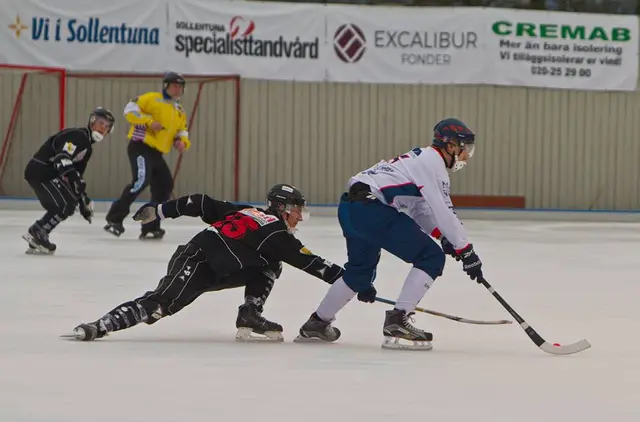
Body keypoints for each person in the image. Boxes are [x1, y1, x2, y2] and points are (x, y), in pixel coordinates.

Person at [64, 184, 345, 342]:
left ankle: (250, 313)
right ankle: (98, 326)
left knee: (270, 263)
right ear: (283, 208)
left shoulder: (246, 211)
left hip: (220, 267)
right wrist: (349, 281)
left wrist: (160, 211)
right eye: (297, 210)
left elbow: (199, 202)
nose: (300, 216)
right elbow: (310, 261)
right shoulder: (275, 232)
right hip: (197, 260)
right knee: (161, 304)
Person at [295, 118, 483, 351]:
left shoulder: (418, 161)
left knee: (359, 274)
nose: (466, 156)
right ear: (451, 146)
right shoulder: (433, 162)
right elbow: (443, 209)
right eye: (465, 149)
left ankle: (317, 322)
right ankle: (398, 319)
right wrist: (466, 250)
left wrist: (443, 237)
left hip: (351, 209)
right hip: (371, 210)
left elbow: (419, 209)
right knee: (431, 257)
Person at [104, 71, 191, 240]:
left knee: (164, 186)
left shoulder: (179, 110)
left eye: (181, 86)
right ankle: (114, 219)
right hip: (141, 147)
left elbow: (182, 130)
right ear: (166, 86)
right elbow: (130, 109)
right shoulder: (152, 99)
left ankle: (150, 226)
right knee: (140, 181)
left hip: (157, 153)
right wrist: (149, 122)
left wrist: (181, 141)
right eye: (174, 85)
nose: (178, 89)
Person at [22, 107, 116, 255]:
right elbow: (62, 158)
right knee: (66, 204)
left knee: (67, 204)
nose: (103, 128)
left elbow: (75, 176)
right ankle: (38, 232)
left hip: (45, 173)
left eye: (107, 126)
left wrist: (83, 199)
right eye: (101, 123)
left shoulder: (87, 148)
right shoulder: (79, 136)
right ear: (92, 121)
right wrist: (77, 184)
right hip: (41, 171)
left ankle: (39, 233)